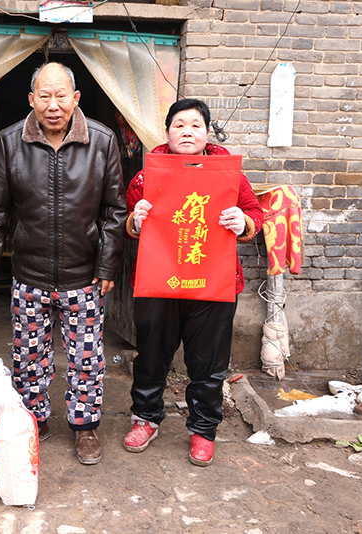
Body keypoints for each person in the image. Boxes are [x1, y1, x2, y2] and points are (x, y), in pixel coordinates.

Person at [0, 62, 127, 465]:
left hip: (83, 275)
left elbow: (115, 211)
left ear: (75, 98)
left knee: (86, 358)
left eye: (61, 95)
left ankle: (85, 426)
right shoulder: (11, 141)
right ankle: (33, 419)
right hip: (29, 274)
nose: (53, 105)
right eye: (44, 96)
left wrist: (107, 265)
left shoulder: (102, 140)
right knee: (28, 357)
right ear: (32, 100)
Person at [122, 98, 264, 466]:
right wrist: (135, 220)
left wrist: (244, 222)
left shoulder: (228, 174)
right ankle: (145, 418)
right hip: (160, 282)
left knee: (208, 363)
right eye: (179, 125)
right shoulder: (147, 175)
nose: (187, 132)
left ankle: (203, 429)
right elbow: (127, 219)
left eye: (195, 125)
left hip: (212, 282)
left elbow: (255, 212)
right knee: (150, 356)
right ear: (167, 132)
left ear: (207, 133)